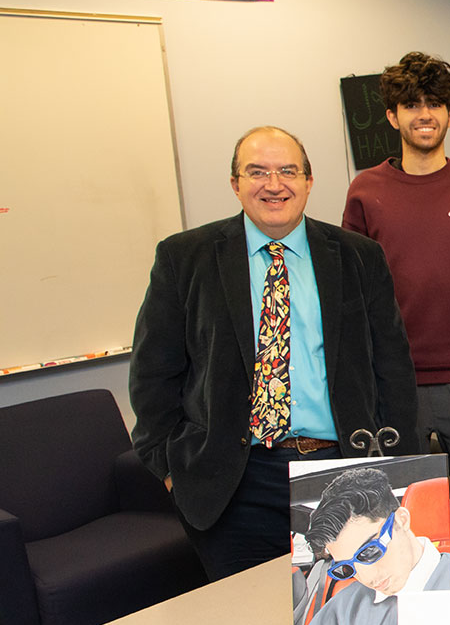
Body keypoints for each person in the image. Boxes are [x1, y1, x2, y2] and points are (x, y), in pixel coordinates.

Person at [130, 126, 418, 581]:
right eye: (257, 172)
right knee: (244, 622)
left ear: (308, 181)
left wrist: (398, 466)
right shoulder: (184, 258)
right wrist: (170, 469)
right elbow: (153, 375)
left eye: (288, 171)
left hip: (340, 470)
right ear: (235, 183)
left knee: (340, 621)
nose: (274, 184)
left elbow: (393, 369)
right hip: (233, 481)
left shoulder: (358, 257)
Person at [342, 52, 450, 503]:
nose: (425, 114)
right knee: (406, 507)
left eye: (435, 103)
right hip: (397, 380)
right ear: (392, 115)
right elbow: (352, 294)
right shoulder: (365, 191)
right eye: (412, 104)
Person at [296, 467, 450, 625]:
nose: (366, 577)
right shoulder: (340, 612)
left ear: (401, 520)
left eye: (370, 552)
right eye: (346, 568)